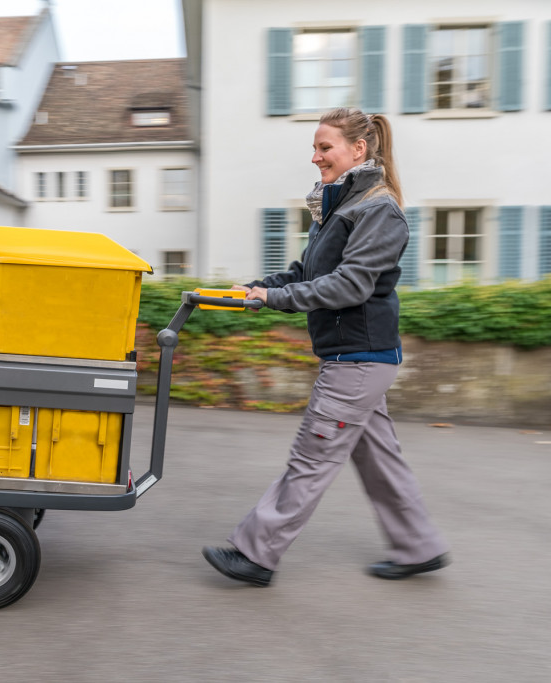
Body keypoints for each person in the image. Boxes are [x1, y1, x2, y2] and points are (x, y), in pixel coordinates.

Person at [202, 107, 450, 587]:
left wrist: (274, 298)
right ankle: (419, 546)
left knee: (312, 456)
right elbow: (306, 273)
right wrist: (249, 290)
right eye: (314, 148)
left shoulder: (378, 210)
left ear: (358, 149)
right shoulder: (337, 206)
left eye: (324, 147)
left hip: (357, 359)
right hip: (357, 358)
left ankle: (257, 553)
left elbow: (350, 286)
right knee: (379, 457)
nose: (314, 157)